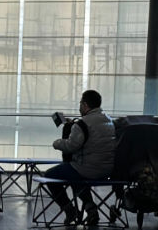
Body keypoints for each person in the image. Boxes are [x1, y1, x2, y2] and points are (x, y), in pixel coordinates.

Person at [43, 90, 117, 226]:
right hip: (107, 170)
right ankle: (90, 207)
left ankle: (70, 211)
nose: (79, 107)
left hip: (88, 170)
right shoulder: (109, 120)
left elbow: (71, 146)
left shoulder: (82, 124)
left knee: (51, 176)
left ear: (85, 105)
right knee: (74, 171)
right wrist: (74, 126)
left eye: (80, 104)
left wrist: (57, 143)